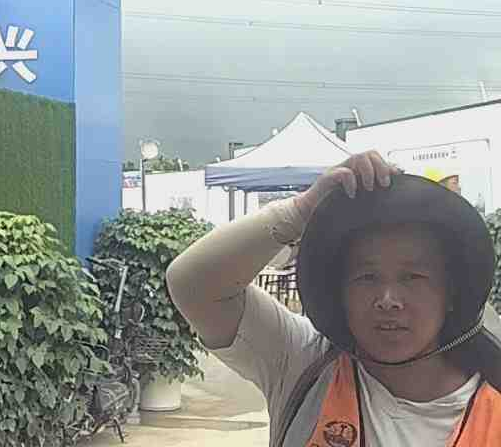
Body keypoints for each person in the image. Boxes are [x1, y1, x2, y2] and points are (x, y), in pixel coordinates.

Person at [167, 150, 501, 446]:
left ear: (451, 293)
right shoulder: (303, 360)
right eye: (366, 277)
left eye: (413, 277)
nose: (387, 299)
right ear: (341, 293)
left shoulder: (493, 401)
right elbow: (192, 285)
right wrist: (299, 212)